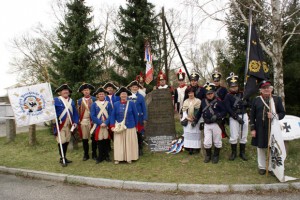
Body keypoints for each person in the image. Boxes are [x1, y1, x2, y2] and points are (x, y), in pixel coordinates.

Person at [250, 80, 285, 175]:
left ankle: (271, 167)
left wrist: (274, 115)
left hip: (273, 127)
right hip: (260, 128)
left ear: (271, 89)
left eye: (268, 88)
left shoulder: (277, 99)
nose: (266, 90)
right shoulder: (256, 100)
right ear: (261, 90)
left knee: (272, 147)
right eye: (264, 88)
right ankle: (261, 167)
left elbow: (282, 113)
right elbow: (252, 115)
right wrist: (252, 129)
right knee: (260, 147)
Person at [194, 83, 227, 164]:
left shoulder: (219, 101)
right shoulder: (203, 102)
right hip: (207, 124)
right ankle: (208, 155)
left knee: (217, 141)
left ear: (214, 93)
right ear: (206, 94)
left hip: (216, 124)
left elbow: (224, 111)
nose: (210, 95)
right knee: (207, 142)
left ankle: (216, 156)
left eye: (211, 93)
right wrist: (195, 120)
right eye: (208, 94)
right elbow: (199, 112)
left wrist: (217, 115)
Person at [110, 86, 139, 164]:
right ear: (120, 95)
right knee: (119, 143)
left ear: (127, 95)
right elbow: (112, 115)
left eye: (125, 94)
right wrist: (112, 126)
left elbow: (136, 115)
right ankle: (118, 158)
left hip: (130, 126)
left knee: (129, 143)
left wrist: (136, 125)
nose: (123, 96)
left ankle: (129, 157)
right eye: (122, 94)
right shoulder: (115, 104)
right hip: (119, 127)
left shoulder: (132, 104)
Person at [224, 73, 249, 161]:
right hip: (234, 117)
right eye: (232, 87)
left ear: (238, 86)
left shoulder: (243, 94)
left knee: (243, 135)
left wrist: (246, 103)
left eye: (235, 86)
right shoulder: (227, 96)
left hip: (244, 114)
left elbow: (249, 103)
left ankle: (242, 153)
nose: (234, 88)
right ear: (229, 87)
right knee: (234, 136)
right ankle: (233, 153)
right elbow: (228, 108)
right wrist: (236, 118)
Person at [53, 84, 79, 167]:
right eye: (64, 90)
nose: (65, 92)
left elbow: (75, 113)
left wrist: (75, 122)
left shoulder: (71, 101)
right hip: (60, 125)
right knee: (62, 141)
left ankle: (63, 157)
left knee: (67, 141)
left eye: (67, 91)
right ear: (60, 93)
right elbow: (51, 112)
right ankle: (62, 158)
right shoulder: (56, 100)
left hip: (69, 125)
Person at [90, 87, 113, 164]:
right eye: (100, 94)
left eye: (102, 94)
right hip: (98, 125)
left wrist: (106, 123)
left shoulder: (108, 104)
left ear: (105, 95)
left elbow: (111, 115)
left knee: (106, 140)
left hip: (106, 125)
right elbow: (92, 116)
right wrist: (100, 123)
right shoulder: (94, 104)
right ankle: (100, 157)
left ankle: (106, 156)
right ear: (97, 95)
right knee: (99, 141)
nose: (101, 95)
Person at [127, 80, 148, 156]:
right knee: (131, 134)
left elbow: (144, 108)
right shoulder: (127, 96)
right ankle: (132, 149)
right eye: (133, 87)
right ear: (130, 88)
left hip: (139, 119)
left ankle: (140, 149)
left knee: (139, 134)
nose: (135, 88)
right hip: (130, 119)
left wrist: (145, 118)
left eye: (136, 87)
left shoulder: (141, 97)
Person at [77, 83, 97, 161]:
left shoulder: (94, 99)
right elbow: (78, 112)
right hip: (84, 121)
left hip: (93, 122)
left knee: (94, 138)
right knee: (85, 139)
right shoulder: (79, 101)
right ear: (82, 92)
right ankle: (86, 154)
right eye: (85, 90)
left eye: (87, 90)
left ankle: (94, 153)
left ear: (90, 91)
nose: (86, 91)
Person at [180, 87, 201, 155]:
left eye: (192, 92)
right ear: (187, 94)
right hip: (188, 120)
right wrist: (187, 118)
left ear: (194, 93)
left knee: (196, 135)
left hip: (195, 120)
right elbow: (183, 111)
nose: (191, 94)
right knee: (189, 135)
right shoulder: (186, 101)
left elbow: (199, 111)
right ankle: (190, 148)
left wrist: (195, 118)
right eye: (189, 93)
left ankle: (197, 147)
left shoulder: (198, 101)